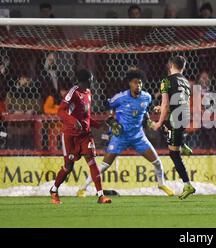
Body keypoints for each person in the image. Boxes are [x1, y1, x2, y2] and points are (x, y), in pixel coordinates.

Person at [76, 70, 174, 197]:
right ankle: (83, 188)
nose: (138, 85)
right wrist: (111, 119)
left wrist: (148, 120)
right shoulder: (121, 97)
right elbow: (108, 104)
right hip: (120, 136)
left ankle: (162, 184)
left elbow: (144, 110)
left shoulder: (147, 97)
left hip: (138, 136)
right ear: (129, 84)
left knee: (157, 162)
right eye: (135, 83)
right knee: (104, 165)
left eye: (140, 83)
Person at [50, 69, 111, 204]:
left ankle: (101, 195)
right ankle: (54, 190)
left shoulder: (88, 93)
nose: (93, 81)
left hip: (85, 135)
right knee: (68, 167)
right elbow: (60, 111)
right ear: (85, 80)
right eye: (91, 78)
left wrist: (98, 125)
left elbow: (86, 117)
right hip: (70, 135)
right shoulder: (73, 92)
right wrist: (73, 121)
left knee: (92, 161)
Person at [152, 56, 196, 200]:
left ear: (170, 65)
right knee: (171, 137)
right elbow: (178, 103)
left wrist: (158, 123)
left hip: (175, 119)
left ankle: (187, 184)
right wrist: (163, 109)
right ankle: (182, 144)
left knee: (173, 154)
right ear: (183, 67)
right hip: (184, 117)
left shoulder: (166, 81)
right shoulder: (185, 82)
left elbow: (165, 105)